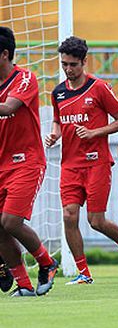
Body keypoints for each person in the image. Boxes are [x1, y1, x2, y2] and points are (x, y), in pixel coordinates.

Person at [44, 36, 118, 284]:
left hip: (96, 162)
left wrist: (94, 132)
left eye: (73, 64)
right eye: (64, 64)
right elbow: (57, 118)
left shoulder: (98, 88)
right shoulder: (59, 92)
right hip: (70, 165)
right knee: (68, 216)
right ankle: (83, 272)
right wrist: (55, 133)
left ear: (84, 62)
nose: (68, 69)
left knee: (96, 220)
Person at [0, 26, 59, 296]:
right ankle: (23, 283)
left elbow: (9, 108)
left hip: (26, 162)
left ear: (4, 54)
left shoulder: (25, 78)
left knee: (11, 221)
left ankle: (46, 263)